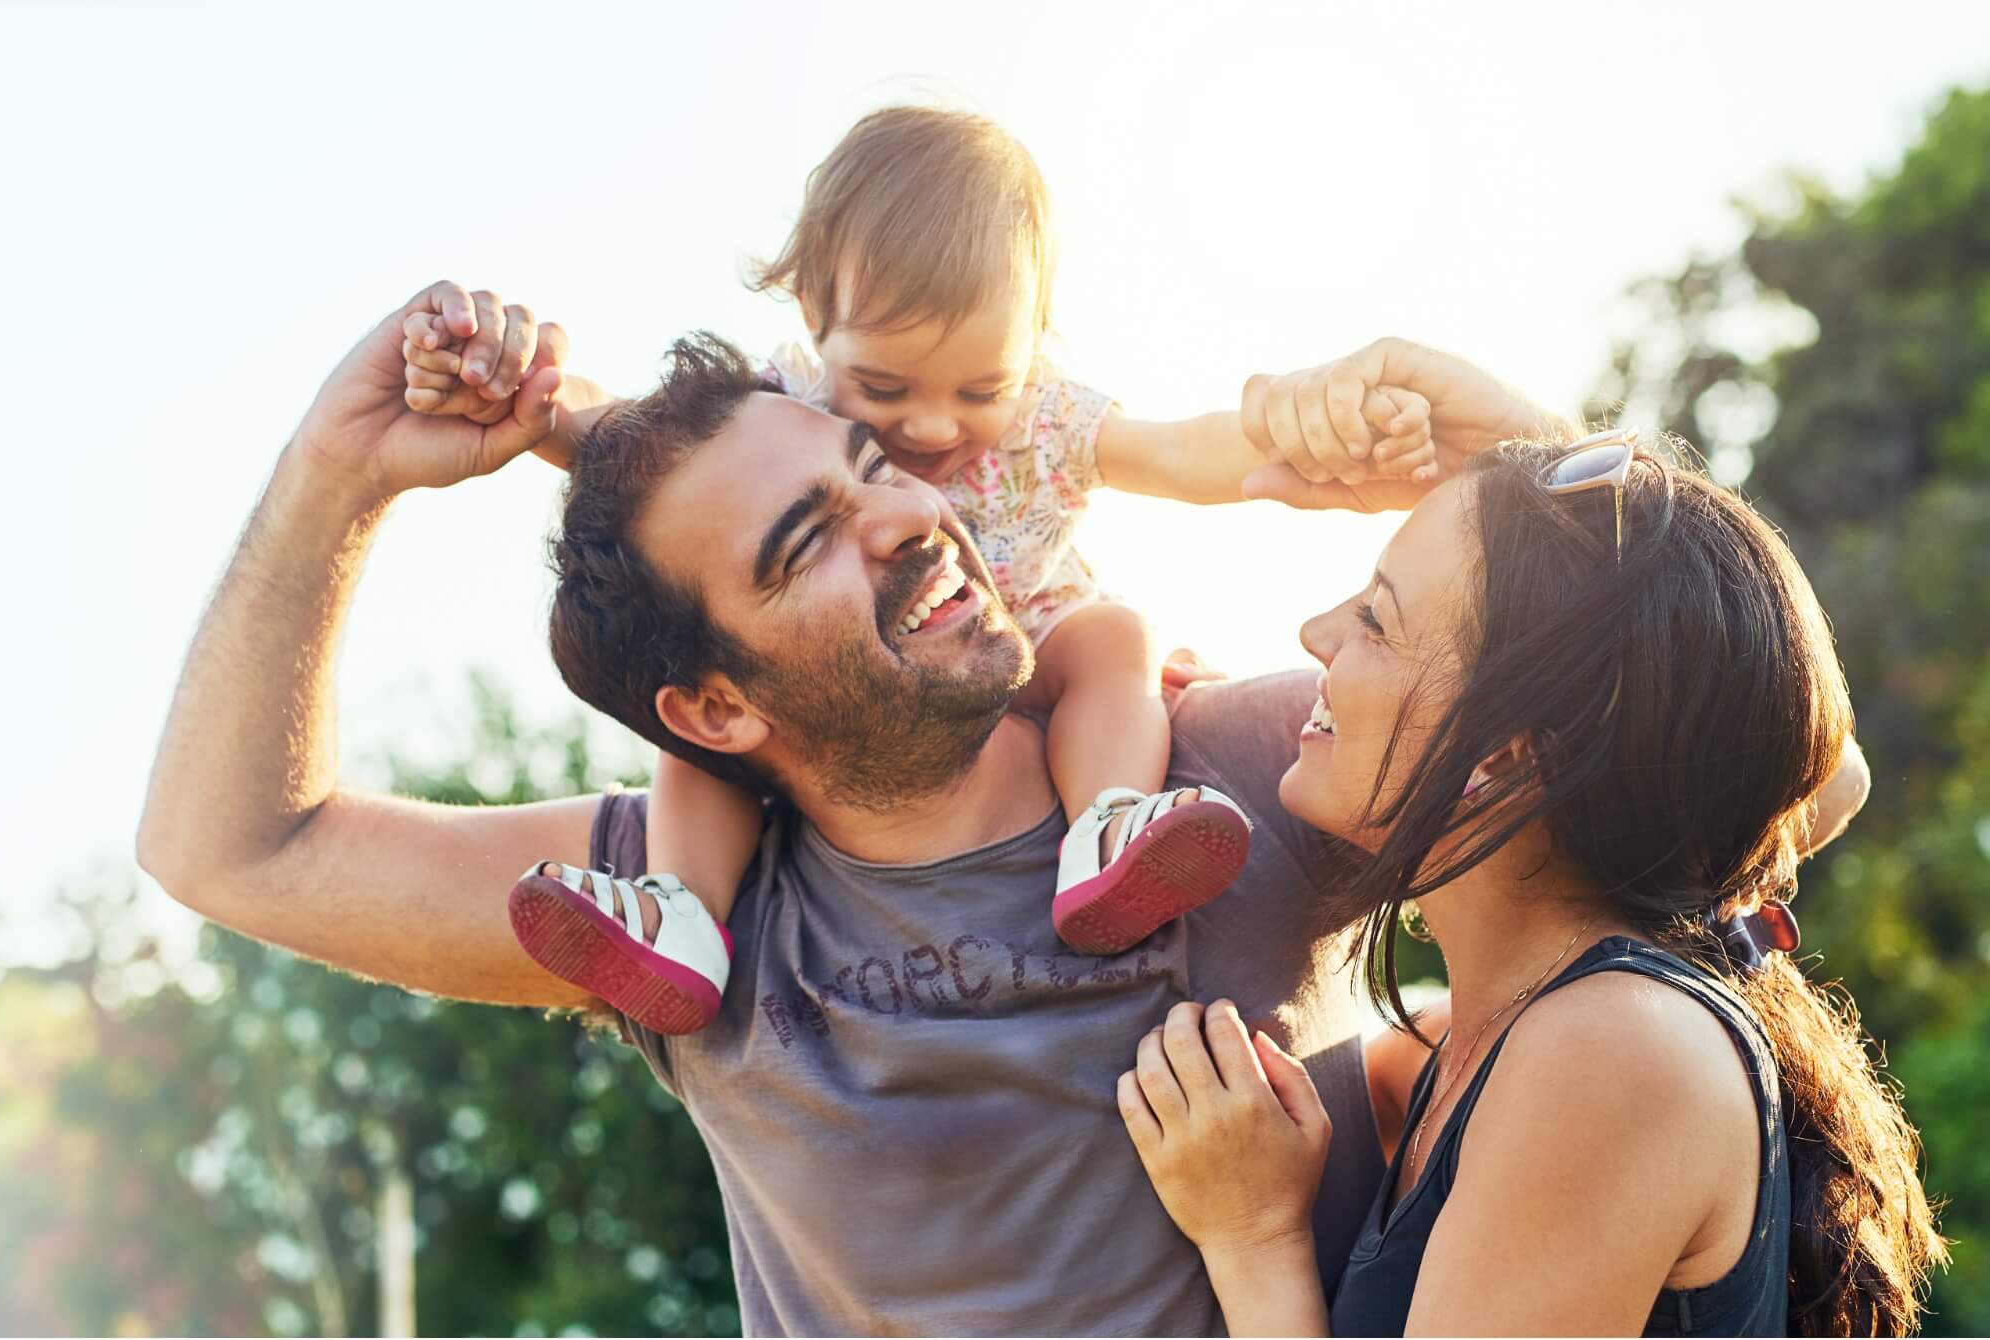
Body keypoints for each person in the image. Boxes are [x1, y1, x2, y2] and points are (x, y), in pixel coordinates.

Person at [136, 278, 1671, 1333]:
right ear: (716, 710)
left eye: (872, 464)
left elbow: (1781, 765)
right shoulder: (677, 909)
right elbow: (233, 846)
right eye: (808, 539)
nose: (907, 516)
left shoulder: (1248, 771)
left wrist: (1522, 455)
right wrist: (340, 470)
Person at [396, 107, 1434, 1034]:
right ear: (812, 312)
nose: (933, 425)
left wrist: (1311, 442)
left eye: (981, 385)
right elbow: (617, 433)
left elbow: (1176, 452)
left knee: (1116, 638)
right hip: (860, 684)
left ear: (1035, 343)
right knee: (712, 729)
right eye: (884, 386)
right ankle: (681, 913)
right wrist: (504, 379)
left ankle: (1110, 825)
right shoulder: (783, 409)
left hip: (1023, 654)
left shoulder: (1045, 419)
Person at [1113, 432, 1942, 1335]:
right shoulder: (1489, 1040)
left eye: (1377, 621)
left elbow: (1807, 765)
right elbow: (1778, 759)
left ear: (1502, 758)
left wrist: (1255, 1239)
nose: (1317, 634)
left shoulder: (1615, 1051)